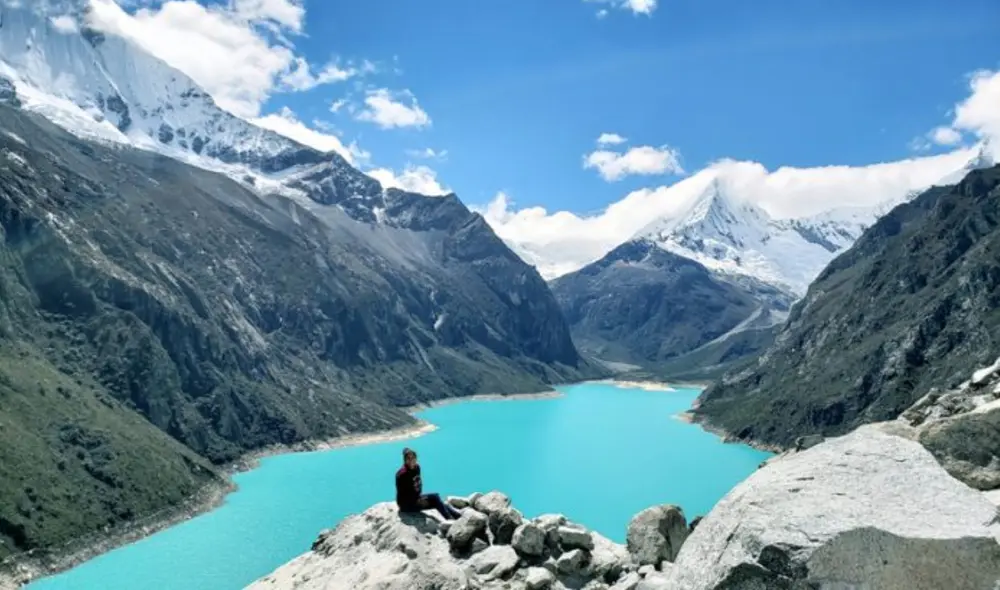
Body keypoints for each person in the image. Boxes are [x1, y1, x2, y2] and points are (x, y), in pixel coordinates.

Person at [395, 447, 461, 520]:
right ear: (404, 460)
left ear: (416, 458)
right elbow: (402, 494)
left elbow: (418, 484)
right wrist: (418, 500)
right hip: (406, 505)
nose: (411, 460)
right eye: (408, 458)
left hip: (415, 499)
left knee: (438, 502)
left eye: (413, 457)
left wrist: (419, 498)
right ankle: (450, 520)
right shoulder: (402, 474)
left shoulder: (417, 468)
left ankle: (458, 516)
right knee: (435, 498)